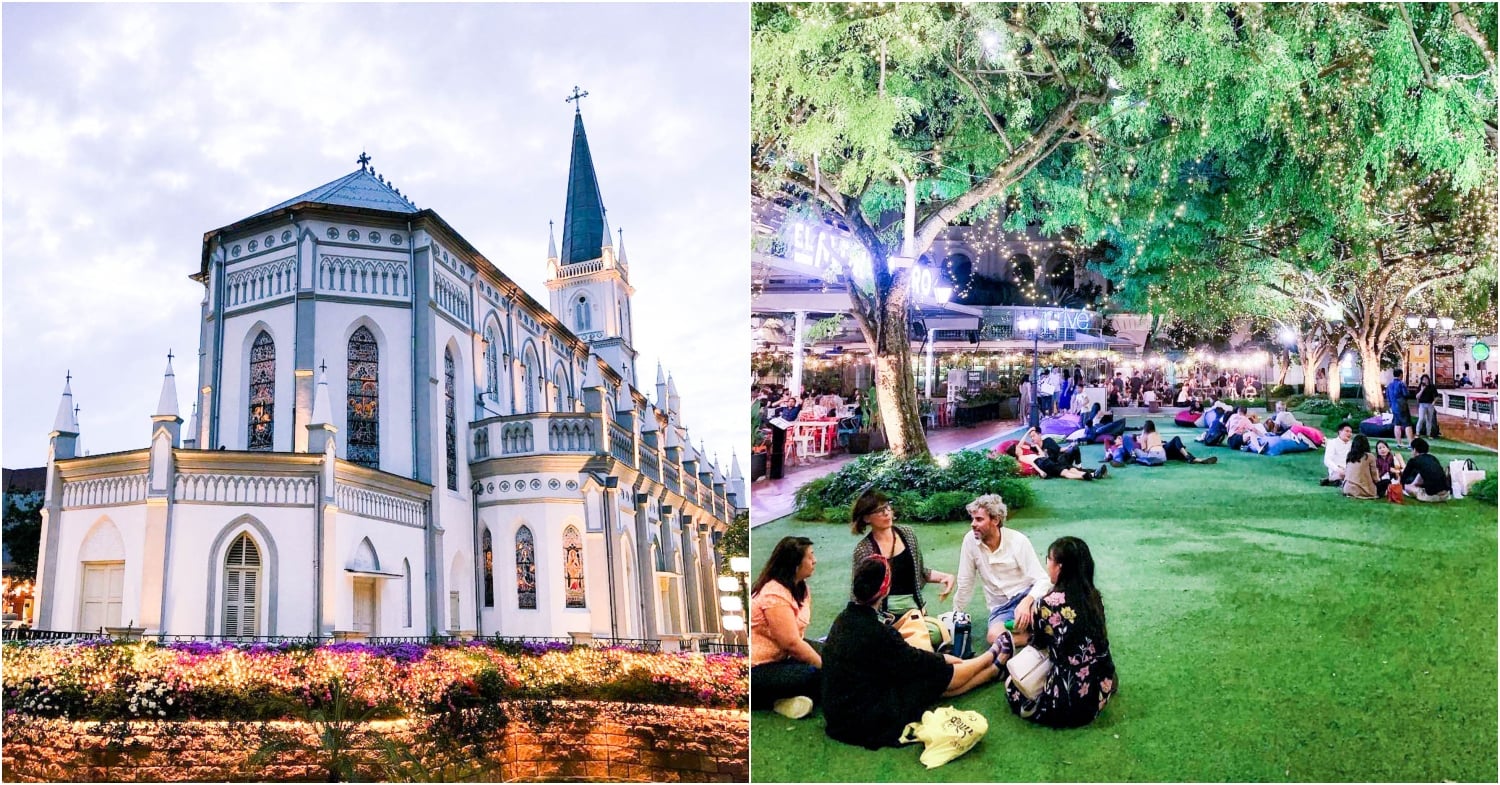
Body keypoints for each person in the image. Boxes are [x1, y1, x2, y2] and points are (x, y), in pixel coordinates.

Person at [821, 555, 1004, 749]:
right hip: (865, 720)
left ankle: (992, 672)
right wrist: (944, 659)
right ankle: (990, 657)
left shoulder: (843, 619)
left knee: (927, 676)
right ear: (885, 589)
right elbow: (916, 662)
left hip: (839, 716)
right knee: (930, 676)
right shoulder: (878, 632)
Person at [1004, 536, 1117, 728]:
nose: (1047, 564)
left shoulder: (1046, 604)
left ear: (1060, 567)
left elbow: (1039, 644)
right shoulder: (1094, 597)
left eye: (1049, 559)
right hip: (1099, 689)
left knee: (1012, 687)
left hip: (1066, 700)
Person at [952, 494, 1051, 646]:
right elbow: (966, 580)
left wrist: (1027, 602)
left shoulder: (1018, 540)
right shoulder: (970, 540)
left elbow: (1043, 579)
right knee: (994, 636)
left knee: (1045, 614)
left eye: (979, 519)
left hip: (1027, 596)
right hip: (1001, 607)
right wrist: (956, 613)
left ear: (996, 520)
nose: (973, 524)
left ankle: (1036, 626)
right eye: (972, 519)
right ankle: (1039, 637)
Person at [750, 537, 824, 719]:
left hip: (782, 658)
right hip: (758, 667)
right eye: (810, 557)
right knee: (813, 674)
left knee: (835, 654)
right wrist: (825, 667)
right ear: (795, 564)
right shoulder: (774, 594)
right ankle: (772, 700)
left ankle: (787, 699)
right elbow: (791, 643)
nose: (814, 561)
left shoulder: (801, 588)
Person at [849, 490, 955, 617]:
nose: (886, 513)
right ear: (866, 518)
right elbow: (859, 592)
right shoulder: (864, 549)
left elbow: (920, 572)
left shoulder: (907, 534)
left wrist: (945, 577)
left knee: (938, 628)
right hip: (883, 616)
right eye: (879, 510)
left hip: (914, 609)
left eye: (887, 506)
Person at [1016, 428, 1108, 481]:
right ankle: (1094, 473)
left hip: (1060, 459)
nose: (1032, 438)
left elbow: (1059, 449)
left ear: (1040, 435)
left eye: (1034, 436)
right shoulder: (1033, 447)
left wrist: (1069, 447)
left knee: (1073, 450)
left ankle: (1086, 470)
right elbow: (1019, 445)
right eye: (1031, 437)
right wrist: (1028, 432)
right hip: (1053, 464)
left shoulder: (1048, 440)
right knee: (1069, 469)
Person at [1119, 419, 1217, 466]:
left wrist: (1140, 439)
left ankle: (1190, 457)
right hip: (1163, 455)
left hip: (1153, 454)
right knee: (1177, 447)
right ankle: (1193, 458)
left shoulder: (1143, 437)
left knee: (1137, 451)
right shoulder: (1156, 434)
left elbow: (1144, 450)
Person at [1400, 438, 1451, 502]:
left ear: (1414, 450)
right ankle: (1415, 486)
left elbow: (1403, 478)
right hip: (1446, 494)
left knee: (1407, 487)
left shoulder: (1413, 460)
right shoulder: (1433, 458)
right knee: (1422, 473)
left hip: (1431, 496)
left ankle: (1415, 488)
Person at [1340, 434, 1381, 500]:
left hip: (1347, 488)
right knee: (1386, 482)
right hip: (1363, 490)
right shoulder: (1369, 456)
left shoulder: (1349, 455)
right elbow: (1375, 477)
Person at [1386, 369, 1411, 448]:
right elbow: (1406, 394)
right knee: (1407, 424)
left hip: (1393, 407)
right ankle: (1410, 443)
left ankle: (1399, 443)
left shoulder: (1390, 385)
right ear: (1401, 374)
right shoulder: (1401, 384)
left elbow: (1388, 396)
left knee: (1397, 424)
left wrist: (1390, 405)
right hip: (1402, 406)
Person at [1415, 374, 1439, 438]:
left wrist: (1434, 401)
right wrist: (1422, 390)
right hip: (1422, 405)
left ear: (1428, 379)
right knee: (1421, 419)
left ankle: (1428, 434)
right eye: (1423, 379)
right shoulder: (1420, 386)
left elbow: (1436, 396)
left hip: (1430, 405)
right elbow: (1417, 396)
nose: (1425, 380)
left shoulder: (1432, 386)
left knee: (1429, 420)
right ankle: (1417, 433)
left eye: (1426, 379)